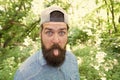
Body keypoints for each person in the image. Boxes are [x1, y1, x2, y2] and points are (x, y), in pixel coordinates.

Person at [14, 5, 80, 80]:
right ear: (40, 34)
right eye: (49, 32)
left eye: (61, 33)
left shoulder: (72, 60)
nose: (56, 40)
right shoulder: (25, 75)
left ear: (67, 34)